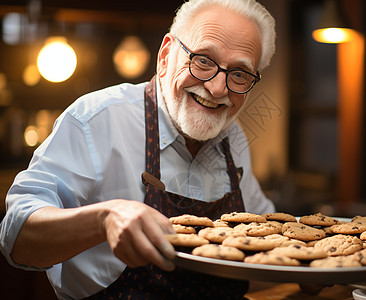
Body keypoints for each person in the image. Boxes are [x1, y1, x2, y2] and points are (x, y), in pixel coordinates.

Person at [0, 0, 276, 299]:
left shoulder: (231, 138)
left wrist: (312, 270)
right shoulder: (97, 118)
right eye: (203, 60)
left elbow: (269, 237)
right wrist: (103, 219)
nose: (218, 89)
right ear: (166, 56)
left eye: (239, 74)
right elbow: (17, 238)